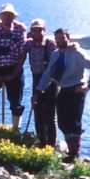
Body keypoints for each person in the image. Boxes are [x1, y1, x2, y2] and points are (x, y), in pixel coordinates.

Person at [37, 28, 90, 163]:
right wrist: (38, 90)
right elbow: (48, 74)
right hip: (63, 89)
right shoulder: (55, 54)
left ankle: (74, 154)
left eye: (62, 38)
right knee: (62, 122)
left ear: (68, 38)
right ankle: (70, 151)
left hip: (77, 89)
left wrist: (88, 85)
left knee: (74, 122)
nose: (59, 41)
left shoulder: (77, 52)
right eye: (57, 38)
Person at [22, 18, 57, 147]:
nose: (37, 32)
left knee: (50, 114)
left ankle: (50, 145)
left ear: (45, 30)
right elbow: (18, 48)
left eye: (40, 30)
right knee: (37, 111)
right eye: (34, 30)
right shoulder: (29, 44)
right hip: (36, 78)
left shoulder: (51, 44)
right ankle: (41, 142)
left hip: (51, 81)